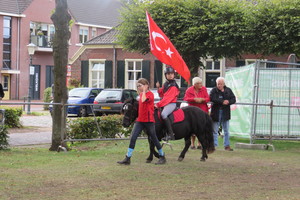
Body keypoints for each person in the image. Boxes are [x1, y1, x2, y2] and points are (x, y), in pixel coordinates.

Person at [118, 78, 166, 165]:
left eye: (140, 85)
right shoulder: (140, 95)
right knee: (133, 138)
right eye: (138, 86)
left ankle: (162, 156)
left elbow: (144, 100)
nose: (138, 87)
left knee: (154, 139)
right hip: (140, 120)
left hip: (149, 121)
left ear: (146, 85)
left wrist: (144, 91)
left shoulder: (150, 95)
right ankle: (127, 158)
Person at [210, 77, 236, 151]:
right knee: (215, 130)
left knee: (226, 130)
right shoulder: (213, 90)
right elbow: (212, 98)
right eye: (218, 84)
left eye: (221, 84)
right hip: (216, 112)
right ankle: (214, 145)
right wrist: (222, 101)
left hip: (225, 112)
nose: (219, 85)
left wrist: (228, 102)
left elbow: (233, 99)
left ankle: (227, 145)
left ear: (224, 84)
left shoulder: (228, 90)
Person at [184, 77, 210, 150]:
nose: (200, 85)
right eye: (199, 83)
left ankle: (199, 144)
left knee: (201, 128)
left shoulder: (204, 89)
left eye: (201, 83)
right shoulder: (189, 90)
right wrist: (194, 99)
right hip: (193, 112)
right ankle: (192, 144)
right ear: (195, 84)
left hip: (202, 111)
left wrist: (202, 99)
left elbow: (208, 98)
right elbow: (186, 99)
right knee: (193, 128)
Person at [155, 67, 180, 141]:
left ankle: (171, 134)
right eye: (168, 74)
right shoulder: (166, 84)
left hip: (171, 103)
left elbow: (168, 98)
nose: (170, 75)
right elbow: (162, 94)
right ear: (165, 75)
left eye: (172, 74)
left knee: (163, 114)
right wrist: (158, 88)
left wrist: (158, 104)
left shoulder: (173, 85)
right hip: (165, 103)